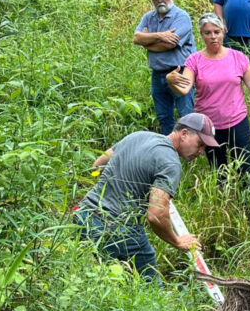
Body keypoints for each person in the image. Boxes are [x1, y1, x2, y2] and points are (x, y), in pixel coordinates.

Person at [75, 113, 219, 281]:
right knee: (151, 289)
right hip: (117, 228)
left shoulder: (139, 136)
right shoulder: (170, 163)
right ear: (184, 133)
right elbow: (155, 215)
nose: (201, 152)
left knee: (92, 279)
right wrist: (178, 242)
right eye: (200, 144)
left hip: (83, 216)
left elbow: (97, 165)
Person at [168, 13, 250, 178]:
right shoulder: (194, 60)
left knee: (244, 169)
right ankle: (222, 201)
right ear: (201, 35)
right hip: (209, 126)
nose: (213, 37)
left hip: (237, 121)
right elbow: (184, 89)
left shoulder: (238, 57)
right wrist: (172, 82)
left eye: (217, 32)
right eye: (208, 33)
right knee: (218, 170)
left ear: (223, 32)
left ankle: (245, 201)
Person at [133, 0, 196, 134]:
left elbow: (169, 44)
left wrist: (146, 41)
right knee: (164, 118)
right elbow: (136, 38)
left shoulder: (181, 17)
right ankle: (170, 153)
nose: (160, 0)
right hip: (157, 75)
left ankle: (191, 154)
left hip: (180, 73)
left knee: (186, 117)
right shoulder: (148, 17)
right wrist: (161, 35)